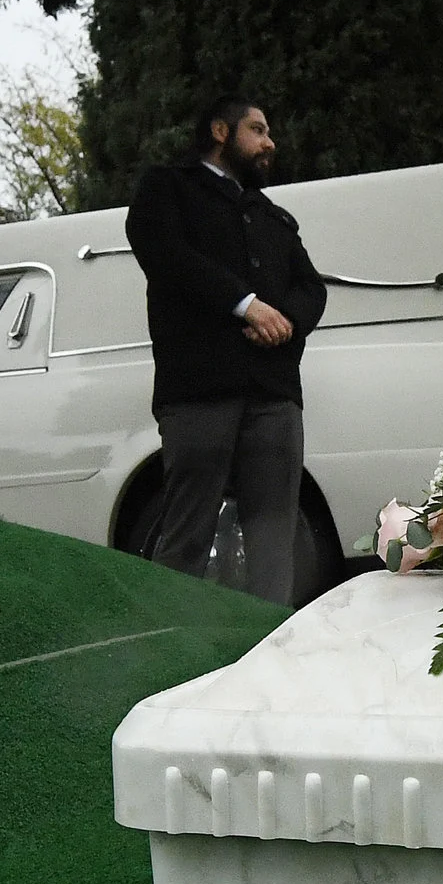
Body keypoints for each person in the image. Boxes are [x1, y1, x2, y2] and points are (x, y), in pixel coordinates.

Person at [124, 95, 328, 605]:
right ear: (220, 130)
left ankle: (266, 647)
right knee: (188, 528)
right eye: (257, 130)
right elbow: (168, 256)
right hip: (198, 391)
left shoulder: (273, 216)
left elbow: (311, 288)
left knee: (275, 533)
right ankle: (173, 644)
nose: (269, 142)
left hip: (274, 394)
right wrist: (245, 306)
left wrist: (283, 323)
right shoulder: (167, 188)